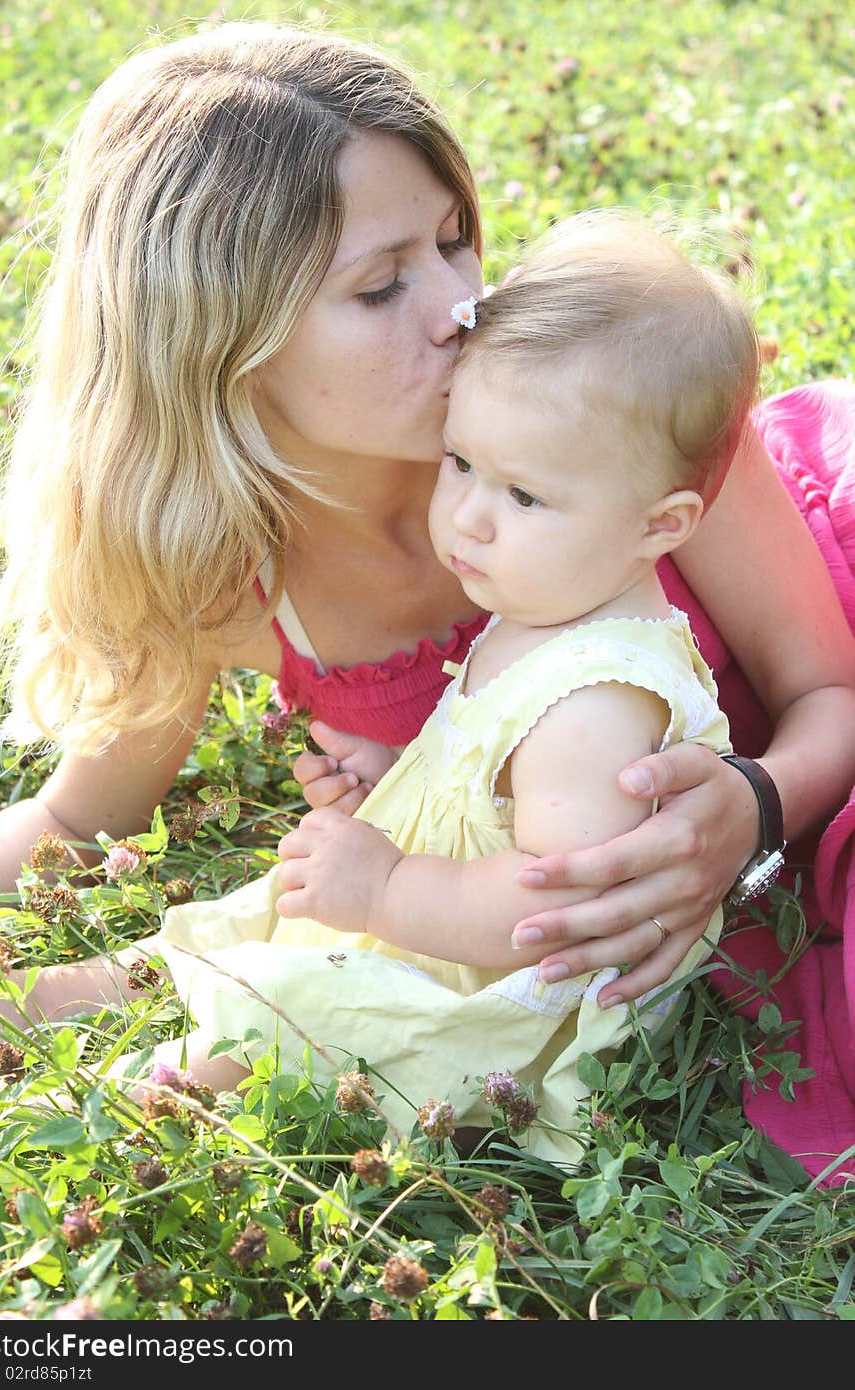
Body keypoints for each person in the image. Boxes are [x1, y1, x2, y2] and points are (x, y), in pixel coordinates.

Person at [0, 24, 854, 1172]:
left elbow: (827, 687)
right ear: (217, 346)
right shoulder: (234, 576)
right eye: (383, 284)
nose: (458, 304)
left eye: (453, 241)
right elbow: (81, 816)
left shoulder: (608, 419)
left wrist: (754, 803)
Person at [155, 209, 756, 1162]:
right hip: (446, 928)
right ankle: (143, 981)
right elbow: (508, 794)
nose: (470, 518)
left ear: (661, 525)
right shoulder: (551, 600)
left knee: (299, 1003)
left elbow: (547, 910)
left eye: (523, 496)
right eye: (461, 463)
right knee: (272, 905)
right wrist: (410, 773)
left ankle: (170, 1088)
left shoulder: (597, 697)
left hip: (501, 1014)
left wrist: (389, 883)